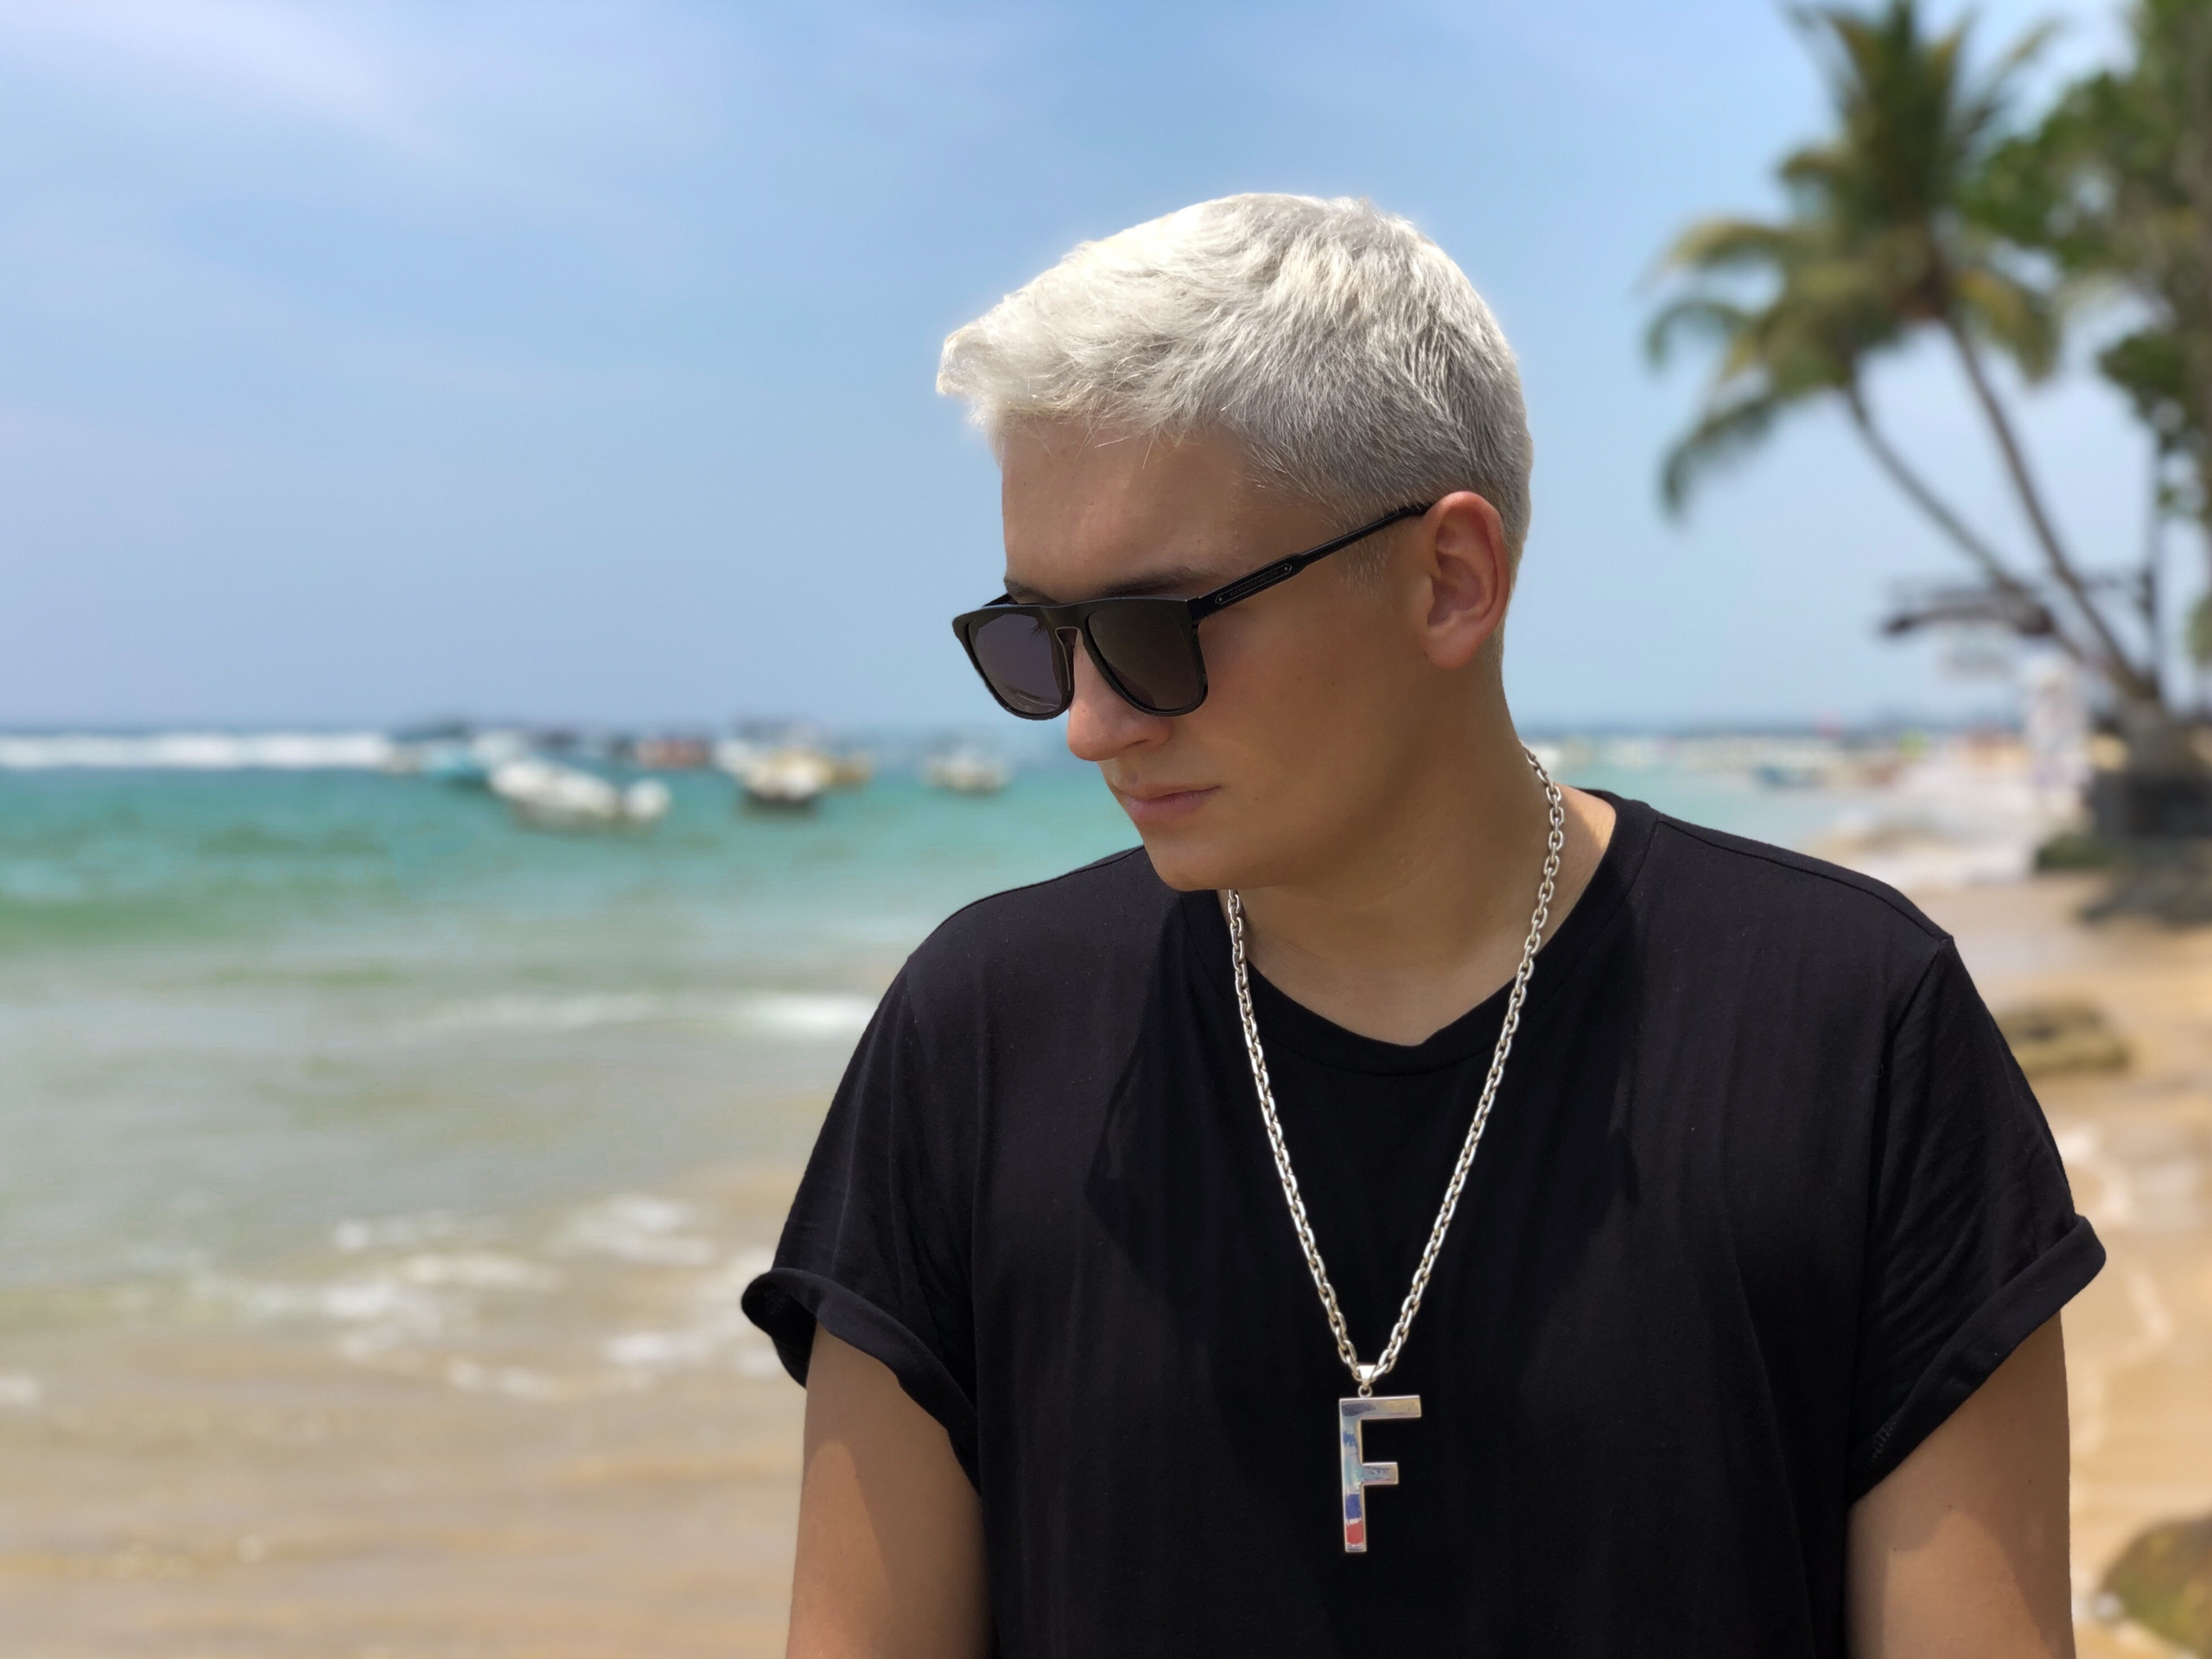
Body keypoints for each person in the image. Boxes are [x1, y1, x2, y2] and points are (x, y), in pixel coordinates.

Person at [741, 194, 2101, 1658]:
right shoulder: (980, 1038)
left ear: (1450, 580)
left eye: (1152, 630)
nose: (1087, 724)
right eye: (1042, 641)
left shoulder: (1851, 1028)